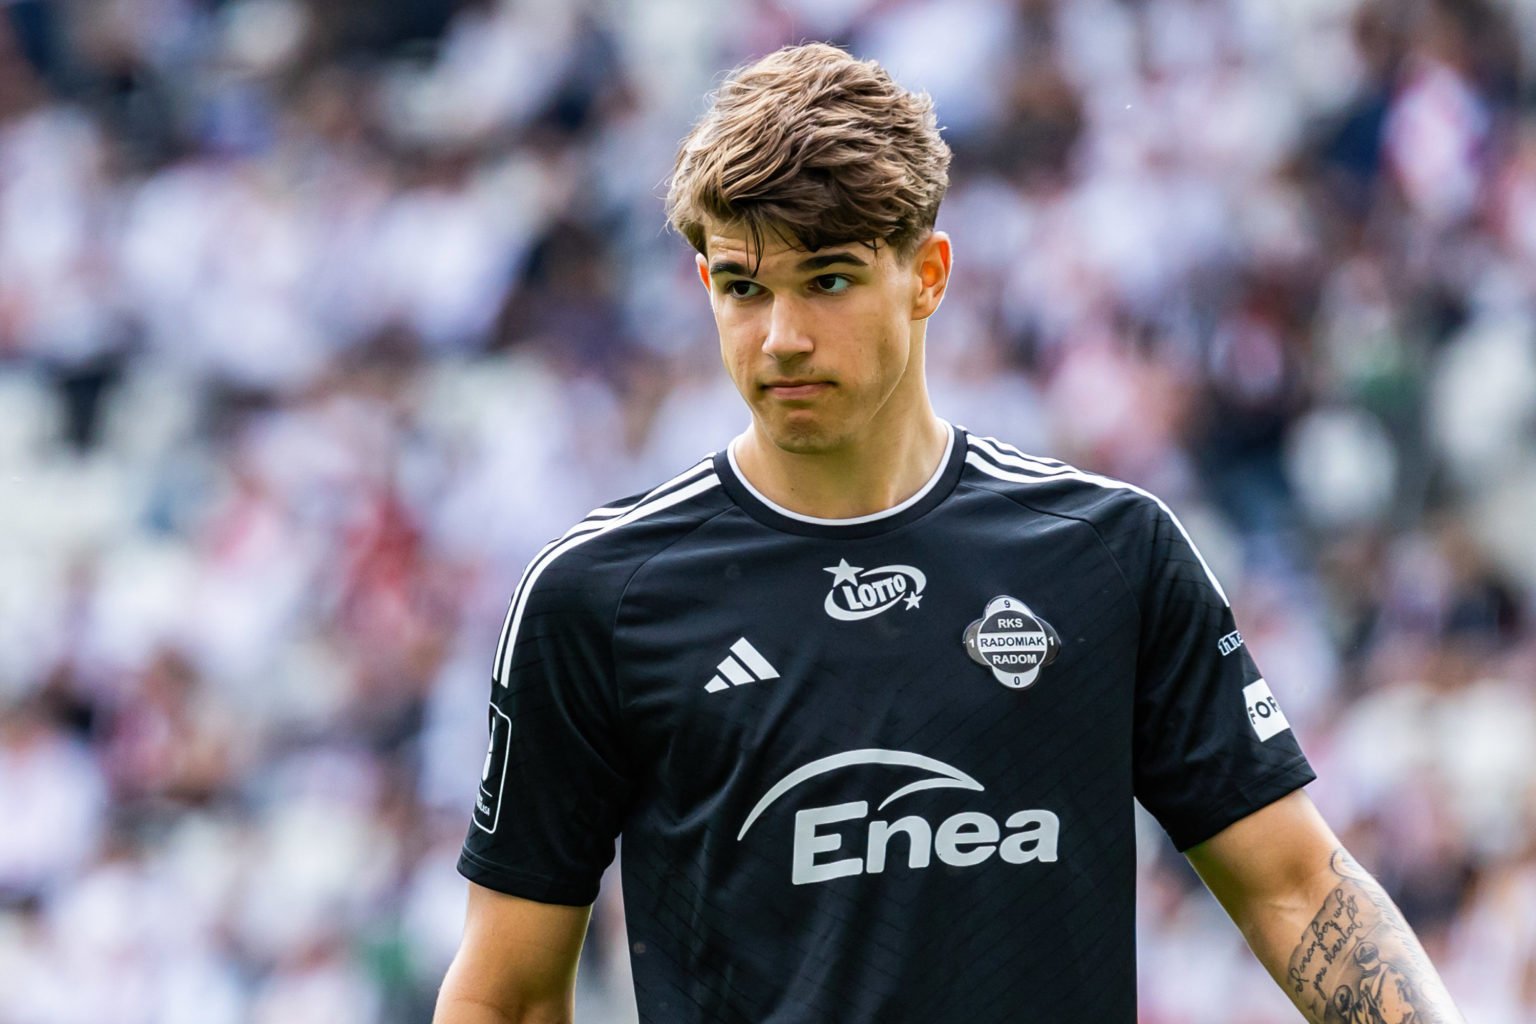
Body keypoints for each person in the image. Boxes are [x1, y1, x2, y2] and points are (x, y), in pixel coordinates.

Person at [434, 43, 1465, 1024]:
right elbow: (507, 994)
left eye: (827, 279)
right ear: (705, 283)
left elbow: (1296, 891)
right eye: (744, 287)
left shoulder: (1107, 553)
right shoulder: (600, 595)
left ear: (926, 274)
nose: (781, 335)